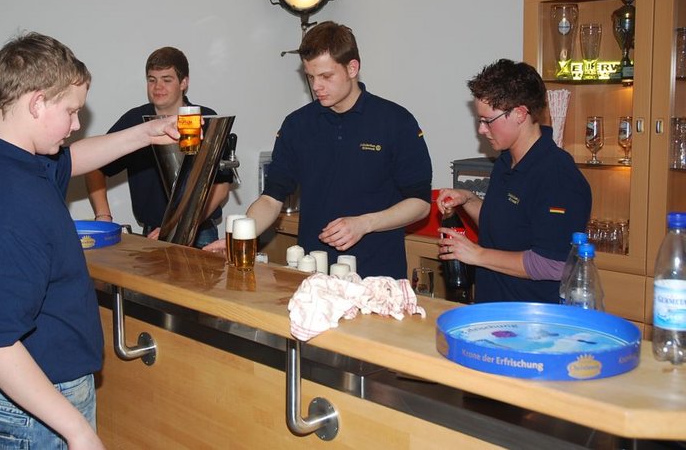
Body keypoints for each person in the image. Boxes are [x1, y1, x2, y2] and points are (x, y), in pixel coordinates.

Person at [0, 32, 179, 448]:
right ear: (37, 103)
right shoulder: (3, 206)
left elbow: (75, 159)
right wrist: (77, 431)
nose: (76, 125)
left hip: (37, 394)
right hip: (30, 407)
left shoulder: (8, 155)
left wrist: (149, 133)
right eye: (71, 112)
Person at [204, 21, 432, 279]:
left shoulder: (395, 122)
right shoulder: (297, 125)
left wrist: (364, 223)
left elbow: (420, 204)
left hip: (378, 276)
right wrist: (239, 238)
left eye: (326, 76)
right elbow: (271, 199)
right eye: (310, 77)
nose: (316, 87)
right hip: (313, 274)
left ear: (352, 68)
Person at [437, 58, 592, 304]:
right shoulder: (506, 161)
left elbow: (553, 264)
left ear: (520, 114)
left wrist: (477, 255)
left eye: (488, 120)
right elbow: (506, 227)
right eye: (479, 120)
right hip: (494, 309)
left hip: (531, 318)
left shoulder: (557, 175)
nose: (481, 130)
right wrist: (468, 200)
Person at [85, 47, 231, 248]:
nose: (157, 87)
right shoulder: (134, 120)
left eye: (166, 80)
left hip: (199, 231)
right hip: (151, 233)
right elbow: (94, 166)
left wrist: (179, 226)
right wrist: (103, 216)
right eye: (152, 80)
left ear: (184, 82)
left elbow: (221, 187)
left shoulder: (205, 119)